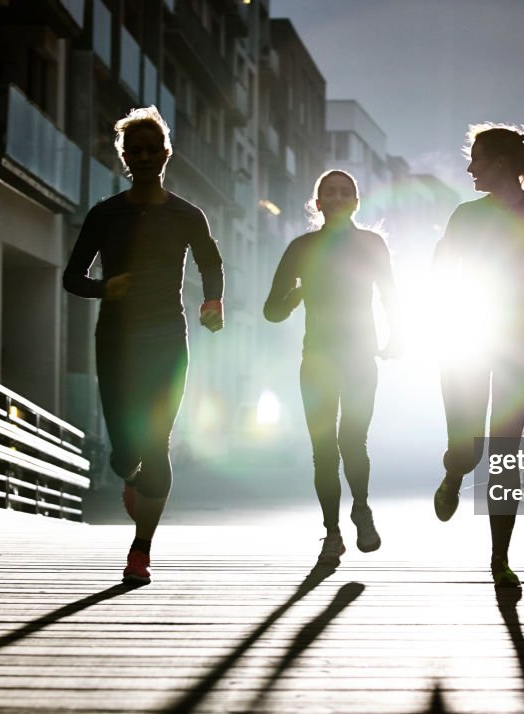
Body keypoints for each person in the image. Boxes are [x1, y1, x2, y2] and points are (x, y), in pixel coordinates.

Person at [63, 106, 224, 585]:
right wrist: (103, 288)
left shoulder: (186, 214)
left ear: (166, 153)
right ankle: (127, 473)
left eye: (155, 148)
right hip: (116, 339)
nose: (147, 156)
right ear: (124, 157)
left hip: (168, 338)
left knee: (156, 446)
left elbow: (211, 262)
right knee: (123, 452)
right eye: (137, 150)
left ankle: (140, 550)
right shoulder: (105, 214)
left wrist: (213, 302)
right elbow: (72, 276)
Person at [432, 124, 524, 590]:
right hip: (467, 335)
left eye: (476, 158)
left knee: (503, 452)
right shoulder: (465, 216)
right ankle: (455, 469)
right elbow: (440, 271)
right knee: (468, 447)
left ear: (500, 165)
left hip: (519, 340)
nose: (469, 167)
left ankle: (500, 560)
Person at [264, 170, 401, 567]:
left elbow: (391, 295)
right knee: (323, 451)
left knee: (353, 441)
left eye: (347, 192)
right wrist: (301, 292)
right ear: (318, 203)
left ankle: (361, 508)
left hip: (360, 356)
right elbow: (272, 311)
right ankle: (332, 533)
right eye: (330, 193)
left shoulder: (372, 244)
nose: (339, 198)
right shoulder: (301, 248)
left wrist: (398, 337)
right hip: (317, 360)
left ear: (357, 202)